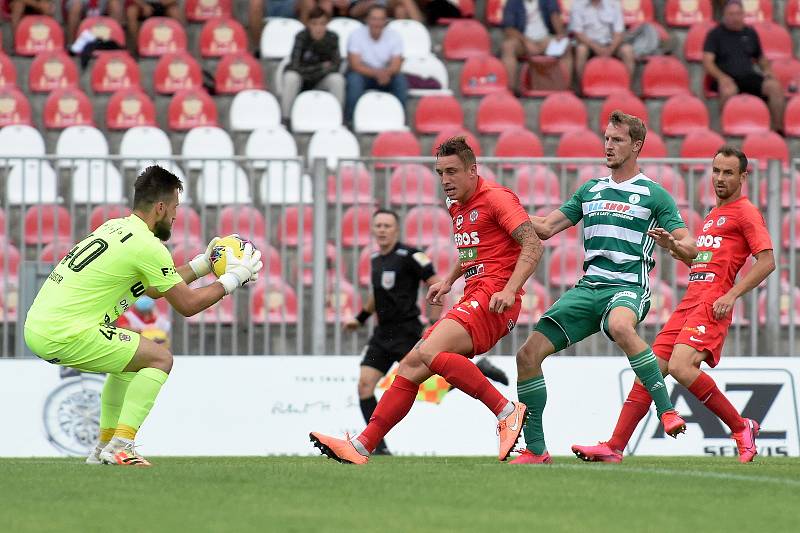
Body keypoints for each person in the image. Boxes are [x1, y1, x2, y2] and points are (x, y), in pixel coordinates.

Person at [310, 136, 543, 464]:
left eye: (452, 171)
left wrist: (509, 289)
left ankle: (506, 411)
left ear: (473, 170)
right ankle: (362, 447)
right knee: (410, 366)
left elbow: (533, 245)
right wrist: (449, 280)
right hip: (474, 292)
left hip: (495, 299)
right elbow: (474, 250)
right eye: (439, 173)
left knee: (431, 352)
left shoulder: (497, 199)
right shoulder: (457, 206)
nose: (445, 180)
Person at [24, 166, 263, 467]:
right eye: (175, 208)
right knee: (160, 358)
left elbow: (151, 288)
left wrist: (203, 264)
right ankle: (121, 445)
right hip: (65, 331)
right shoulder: (148, 246)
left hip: (41, 325)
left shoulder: (115, 228)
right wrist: (235, 277)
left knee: (128, 367)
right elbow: (187, 305)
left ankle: (104, 447)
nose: (176, 216)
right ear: (161, 207)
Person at [511, 111, 698, 464]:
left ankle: (667, 410)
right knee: (527, 356)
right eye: (607, 138)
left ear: (636, 146)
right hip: (588, 289)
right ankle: (536, 449)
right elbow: (548, 227)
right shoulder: (590, 189)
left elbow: (691, 246)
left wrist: (672, 245)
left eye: (617, 139)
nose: (608, 145)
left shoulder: (654, 195)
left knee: (619, 325)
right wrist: (504, 210)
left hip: (628, 286)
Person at [572, 146, 775, 464]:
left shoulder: (746, 212)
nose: (720, 178)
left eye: (728, 173)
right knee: (649, 372)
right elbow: (699, 258)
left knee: (681, 367)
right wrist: (673, 246)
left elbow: (767, 261)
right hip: (690, 301)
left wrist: (731, 295)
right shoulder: (713, 215)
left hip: (712, 302)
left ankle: (741, 426)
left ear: (743, 177)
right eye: (716, 171)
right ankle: (614, 446)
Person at [344, 208, 510, 455]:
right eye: (378, 225)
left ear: (397, 229)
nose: (382, 230)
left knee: (425, 381)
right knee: (364, 386)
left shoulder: (412, 256)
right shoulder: (376, 259)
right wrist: (360, 318)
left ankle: (479, 369)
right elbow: (376, 295)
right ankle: (378, 447)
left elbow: (436, 285)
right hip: (382, 334)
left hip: (408, 330)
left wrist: (430, 323)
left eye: (387, 225)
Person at [703, 0, 785, 132]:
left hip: (748, 76)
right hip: (725, 77)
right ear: (724, 15)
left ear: (743, 15)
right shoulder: (715, 34)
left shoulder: (750, 32)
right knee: (728, 90)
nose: (734, 17)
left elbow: (760, 57)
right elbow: (707, 62)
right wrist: (722, 78)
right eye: (731, 14)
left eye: (738, 14)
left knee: (774, 87)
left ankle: (778, 131)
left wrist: (768, 70)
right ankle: (725, 131)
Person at [345, 5, 407, 123]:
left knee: (400, 80)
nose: (377, 23)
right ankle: (350, 120)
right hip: (364, 74)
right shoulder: (356, 35)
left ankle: (402, 120)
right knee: (354, 80)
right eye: (374, 19)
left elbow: (396, 65)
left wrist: (385, 73)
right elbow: (355, 65)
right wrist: (377, 73)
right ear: (367, 20)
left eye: (380, 19)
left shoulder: (395, 36)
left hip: (386, 73)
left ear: (386, 21)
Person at [282, 7, 345, 124]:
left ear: (327, 25)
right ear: (308, 25)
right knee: (291, 77)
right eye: (314, 24)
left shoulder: (332, 38)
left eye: (322, 24)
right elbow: (295, 65)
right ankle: (286, 119)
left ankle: (338, 119)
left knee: (337, 79)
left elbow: (336, 66)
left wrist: (310, 70)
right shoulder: (301, 37)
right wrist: (321, 67)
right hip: (302, 80)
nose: (318, 28)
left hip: (320, 80)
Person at [500, 0, 571, 92]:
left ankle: (565, 89)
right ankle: (511, 89)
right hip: (522, 40)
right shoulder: (513, 2)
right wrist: (527, 42)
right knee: (507, 46)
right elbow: (508, 28)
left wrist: (560, 34)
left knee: (565, 45)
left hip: (545, 38)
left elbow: (555, 17)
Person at [569, 0, 635, 81]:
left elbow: (619, 32)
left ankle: (626, 87)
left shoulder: (614, 3)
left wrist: (611, 49)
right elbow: (578, 33)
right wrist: (596, 48)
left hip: (610, 43)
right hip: (588, 44)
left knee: (627, 50)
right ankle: (582, 89)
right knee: (581, 50)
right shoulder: (577, 4)